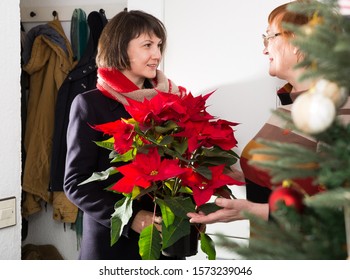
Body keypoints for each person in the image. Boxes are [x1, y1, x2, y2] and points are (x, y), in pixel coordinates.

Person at [187, 1, 322, 224]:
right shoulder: (288, 103)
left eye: (270, 37)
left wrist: (251, 211)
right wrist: (239, 177)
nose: (264, 48)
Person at [64, 10, 182, 260]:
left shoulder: (173, 100)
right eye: (147, 45)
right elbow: (76, 183)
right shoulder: (89, 104)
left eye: (159, 45)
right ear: (120, 48)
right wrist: (132, 218)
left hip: (166, 245)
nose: (157, 55)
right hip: (113, 245)